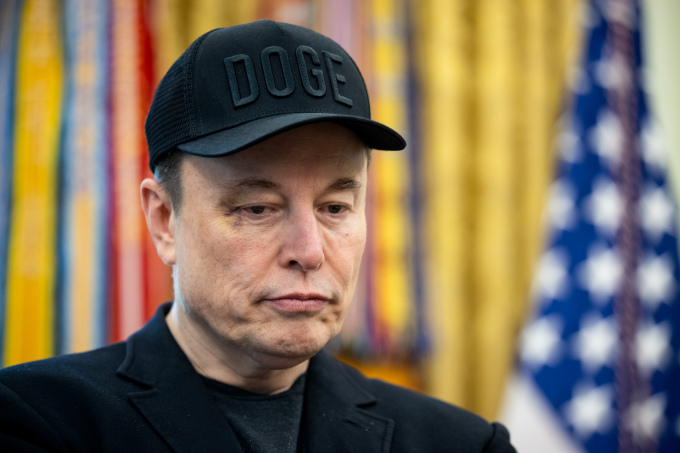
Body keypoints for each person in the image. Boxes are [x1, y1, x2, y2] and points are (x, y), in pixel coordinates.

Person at [0, 20, 515, 452]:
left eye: (335, 207)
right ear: (164, 219)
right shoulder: (36, 423)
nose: (309, 252)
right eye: (257, 208)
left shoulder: (462, 444)